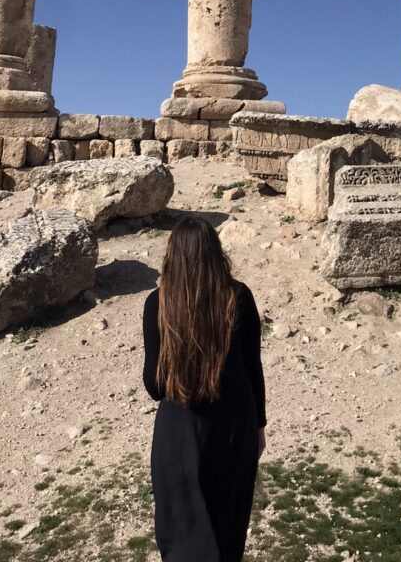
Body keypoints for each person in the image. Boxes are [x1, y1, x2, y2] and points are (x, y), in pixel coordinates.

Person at [142, 216, 267, 562]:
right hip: (234, 431)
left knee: (183, 536)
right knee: (227, 533)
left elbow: (154, 386)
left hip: (180, 436)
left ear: (172, 256)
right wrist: (260, 427)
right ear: (216, 253)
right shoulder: (239, 297)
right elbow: (253, 368)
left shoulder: (158, 303)